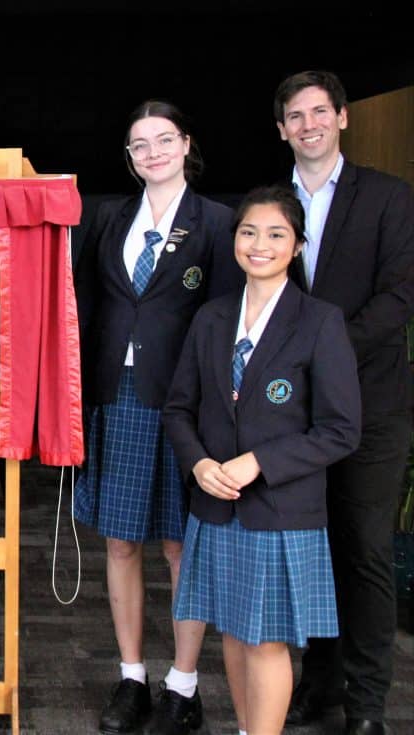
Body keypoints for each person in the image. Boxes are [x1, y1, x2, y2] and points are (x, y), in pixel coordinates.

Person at [164, 185, 362, 735]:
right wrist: (199, 464)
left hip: (279, 511)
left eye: (276, 234)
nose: (260, 244)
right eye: (249, 232)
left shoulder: (320, 320)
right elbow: (180, 409)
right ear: (235, 240)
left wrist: (259, 462)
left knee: (266, 641)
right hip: (215, 506)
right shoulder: (211, 317)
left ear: (297, 245)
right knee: (231, 631)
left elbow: (341, 430)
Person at [72, 99, 239, 735]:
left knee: (179, 544)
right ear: (130, 158)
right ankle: (132, 675)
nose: (152, 154)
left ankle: (184, 684)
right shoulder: (110, 219)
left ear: (186, 143)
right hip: (118, 395)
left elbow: (226, 322)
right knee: (120, 540)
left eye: (162, 140)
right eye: (139, 145)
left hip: (186, 403)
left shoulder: (220, 222)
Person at [272, 70, 414, 735]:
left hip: (370, 409)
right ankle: (320, 684)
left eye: (319, 112)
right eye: (295, 116)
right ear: (281, 130)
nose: (309, 125)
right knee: (312, 550)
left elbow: (399, 298)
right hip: (296, 416)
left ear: (343, 118)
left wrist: (321, 350)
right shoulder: (272, 208)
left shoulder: (389, 198)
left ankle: (366, 705)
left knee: (364, 552)